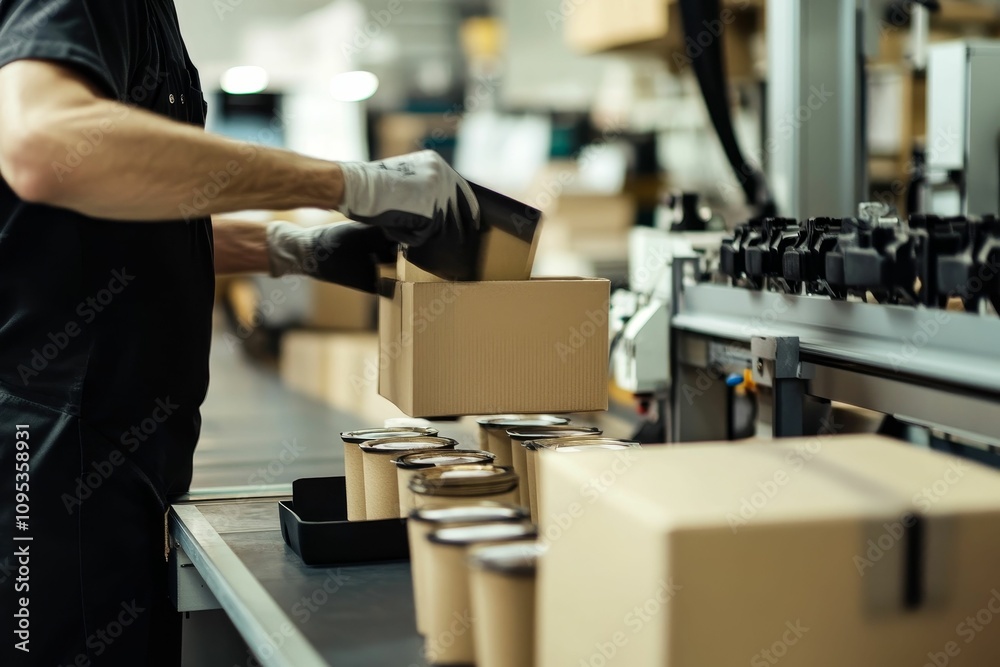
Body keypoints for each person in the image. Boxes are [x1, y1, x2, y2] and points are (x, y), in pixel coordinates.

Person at [0, 1, 479, 664]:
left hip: (120, 444)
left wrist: (289, 247)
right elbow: (45, 148)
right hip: (53, 448)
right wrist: (350, 182)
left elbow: (118, 212)